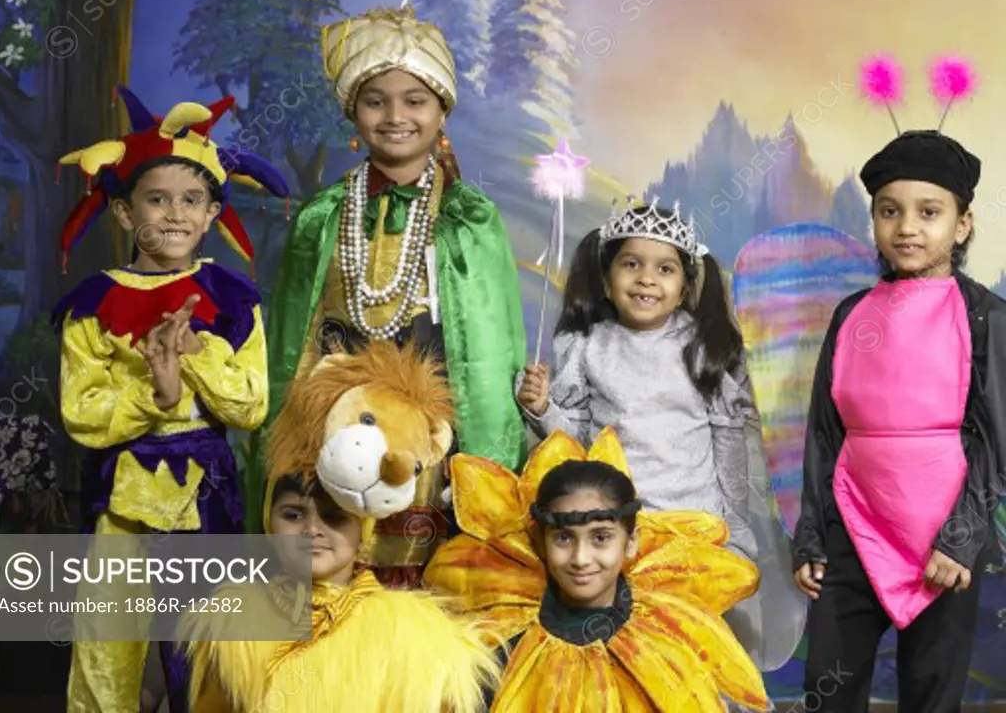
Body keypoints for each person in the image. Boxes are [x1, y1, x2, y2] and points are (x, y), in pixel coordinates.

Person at [254, 1, 527, 586]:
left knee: (414, 587)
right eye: (376, 101)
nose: (395, 116)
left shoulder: (469, 217)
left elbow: (488, 354)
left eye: (415, 101)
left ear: (441, 111)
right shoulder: (324, 216)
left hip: (427, 434)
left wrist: (487, 468)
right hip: (331, 426)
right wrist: (290, 442)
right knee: (331, 578)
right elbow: (291, 344)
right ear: (354, 112)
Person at [51, 86, 289, 712]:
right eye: (157, 200)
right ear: (125, 214)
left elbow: (251, 406)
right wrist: (154, 396)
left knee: (202, 651)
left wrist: (195, 356)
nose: (175, 215)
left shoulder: (233, 301)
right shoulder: (91, 305)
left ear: (213, 213)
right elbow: (81, 412)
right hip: (122, 499)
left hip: (204, 494)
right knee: (109, 649)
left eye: (192, 201)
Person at [792, 63, 1006, 710]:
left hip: (944, 537)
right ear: (875, 221)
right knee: (829, 684)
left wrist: (961, 536)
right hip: (854, 526)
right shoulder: (852, 314)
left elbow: (996, 439)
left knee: (931, 691)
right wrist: (811, 535)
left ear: (962, 224)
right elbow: (825, 431)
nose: (908, 226)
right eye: (890, 211)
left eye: (929, 212)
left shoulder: (984, 316)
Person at [515, 199, 805, 670]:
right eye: (632, 264)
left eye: (665, 269)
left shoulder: (701, 346)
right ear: (608, 278)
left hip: (694, 526)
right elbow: (578, 441)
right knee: (628, 652)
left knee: (687, 651)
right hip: (622, 529)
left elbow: (729, 445)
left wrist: (734, 525)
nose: (647, 278)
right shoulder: (588, 346)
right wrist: (544, 407)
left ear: (685, 284)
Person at [424, 427, 770, 711]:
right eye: (564, 538)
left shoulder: (670, 630)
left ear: (631, 542)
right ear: (541, 543)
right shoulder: (501, 642)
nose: (581, 557)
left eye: (601, 538)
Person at [182, 473, 500, 711]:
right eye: (293, 515)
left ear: (363, 535)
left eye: (334, 517)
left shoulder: (416, 634)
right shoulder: (232, 627)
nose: (312, 530)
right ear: (269, 526)